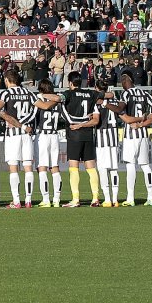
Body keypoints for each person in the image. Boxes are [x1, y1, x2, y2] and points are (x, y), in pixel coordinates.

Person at [50, 72, 102, 207]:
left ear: (70, 82)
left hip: (74, 134)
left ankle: (75, 199)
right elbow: (107, 96)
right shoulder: (91, 95)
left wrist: (43, 95)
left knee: (74, 167)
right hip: (89, 135)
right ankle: (95, 198)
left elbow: (57, 99)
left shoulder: (69, 94)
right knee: (91, 167)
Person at [0, 69, 38, 209]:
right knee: (28, 166)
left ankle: (16, 201)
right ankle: (28, 200)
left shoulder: (6, 93)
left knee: (13, 167)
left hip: (13, 133)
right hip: (27, 133)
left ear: (6, 80)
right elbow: (38, 106)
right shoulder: (28, 93)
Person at [110, 74, 152, 206]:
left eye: (121, 82)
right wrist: (144, 119)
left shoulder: (126, 94)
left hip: (130, 133)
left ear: (125, 81)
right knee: (146, 166)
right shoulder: (144, 93)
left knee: (130, 165)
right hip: (143, 133)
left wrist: (107, 104)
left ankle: (130, 198)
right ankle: (151, 197)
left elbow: (119, 109)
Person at [32, 79, 66, 207]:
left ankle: (46, 199)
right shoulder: (58, 101)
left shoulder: (38, 99)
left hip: (42, 135)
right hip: (54, 135)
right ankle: (56, 199)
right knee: (55, 167)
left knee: (42, 167)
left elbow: (34, 115)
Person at [94, 80, 121, 207]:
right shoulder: (115, 102)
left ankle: (107, 199)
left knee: (103, 168)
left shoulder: (97, 102)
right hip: (114, 137)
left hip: (102, 137)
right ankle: (115, 199)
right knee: (114, 168)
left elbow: (95, 119)